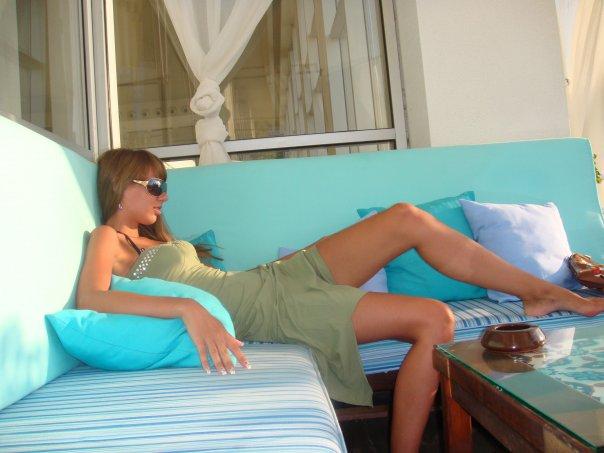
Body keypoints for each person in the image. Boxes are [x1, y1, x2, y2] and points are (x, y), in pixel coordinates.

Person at [77, 148, 604, 452]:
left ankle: (538, 291)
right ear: (122, 186)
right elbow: (91, 297)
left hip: (275, 278)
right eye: (154, 184)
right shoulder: (109, 238)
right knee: (436, 320)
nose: (164, 194)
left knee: (406, 217)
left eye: (165, 184)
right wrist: (187, 307)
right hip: (275, 309)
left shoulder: (155, 240)